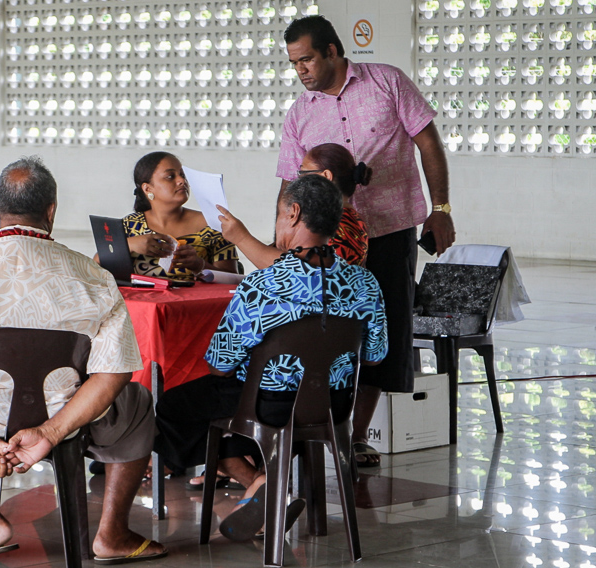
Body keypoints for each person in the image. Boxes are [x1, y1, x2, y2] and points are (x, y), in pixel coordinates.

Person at [0, 156, 168, 564]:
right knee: (138, 403)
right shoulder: (95, 278)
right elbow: (114, 371)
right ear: (52, 211)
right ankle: (111, 534)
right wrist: (51, 430)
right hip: (69, 418)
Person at [154, 175, 388, 541]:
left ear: (293, 213)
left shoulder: (261, 285)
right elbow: (374, 356)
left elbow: (221, 364)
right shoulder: (365, 283)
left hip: (268, 407)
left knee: (173, 407)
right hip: (332, 406)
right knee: (233, 410)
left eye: (279, 214)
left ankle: (256, 480)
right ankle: (259, 482)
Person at [277, 15, 455, 466]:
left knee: (385, 331)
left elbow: (429, 144)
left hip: (391, 231)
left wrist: (441, 209)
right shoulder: (301, 112)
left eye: (307, 60)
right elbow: (287, 181)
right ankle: (316, 425)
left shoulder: (387, 82)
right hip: (328, 243)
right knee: (324, 333)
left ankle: (354, 437)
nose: (301, 70)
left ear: (333, 51)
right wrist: (282, 232)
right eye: (294, 63)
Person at [219, 143, 372, 269]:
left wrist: (241, 238)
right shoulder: (338, 217)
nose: (297, 181)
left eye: (303, 173)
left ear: (326, 176)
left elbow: (299, 271)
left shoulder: (343, 223)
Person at [122, 151, 238, 280]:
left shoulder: (214, 224)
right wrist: (128, 245)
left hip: (198, 300)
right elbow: (98, 269)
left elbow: (233, 280)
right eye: (170, 176)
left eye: (182, 175)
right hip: (142, 300)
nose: (182, 181)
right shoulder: (130, 225)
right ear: (148, 189)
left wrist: (200, 265)